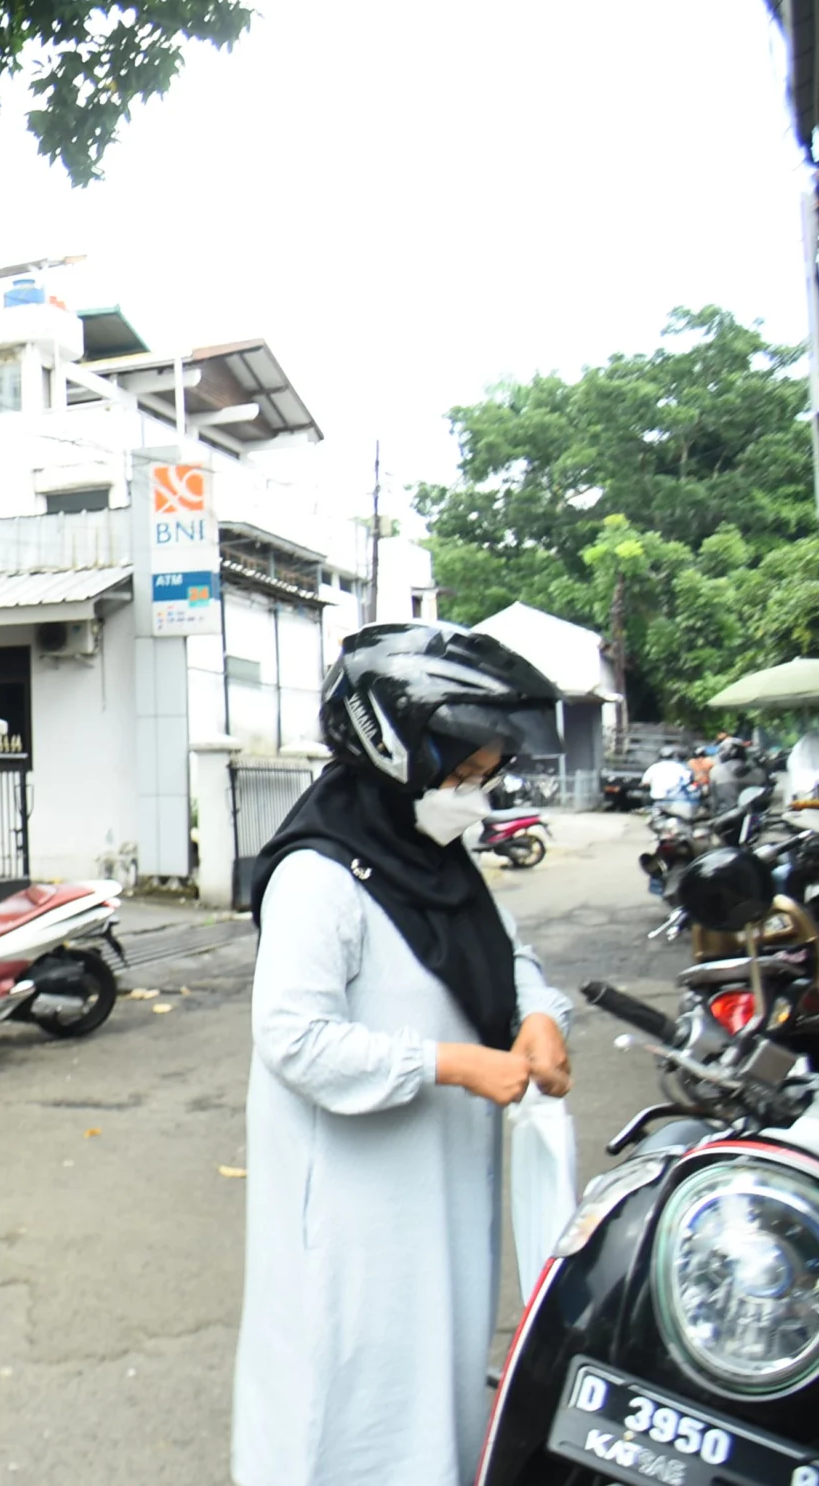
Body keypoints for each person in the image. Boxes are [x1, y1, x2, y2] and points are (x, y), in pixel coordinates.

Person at [232, 623, 574, 1486]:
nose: (478, 788)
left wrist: (538, 1020)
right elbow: (295, 1039)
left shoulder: (440, 858)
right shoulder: (321, 877)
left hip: (440, 1194)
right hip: (354, 1215)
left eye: (487, 770)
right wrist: (455, 1064)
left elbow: (508, 958)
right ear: (397, 752)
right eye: (464, 768)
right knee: (343, 1403)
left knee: (438, 1382)